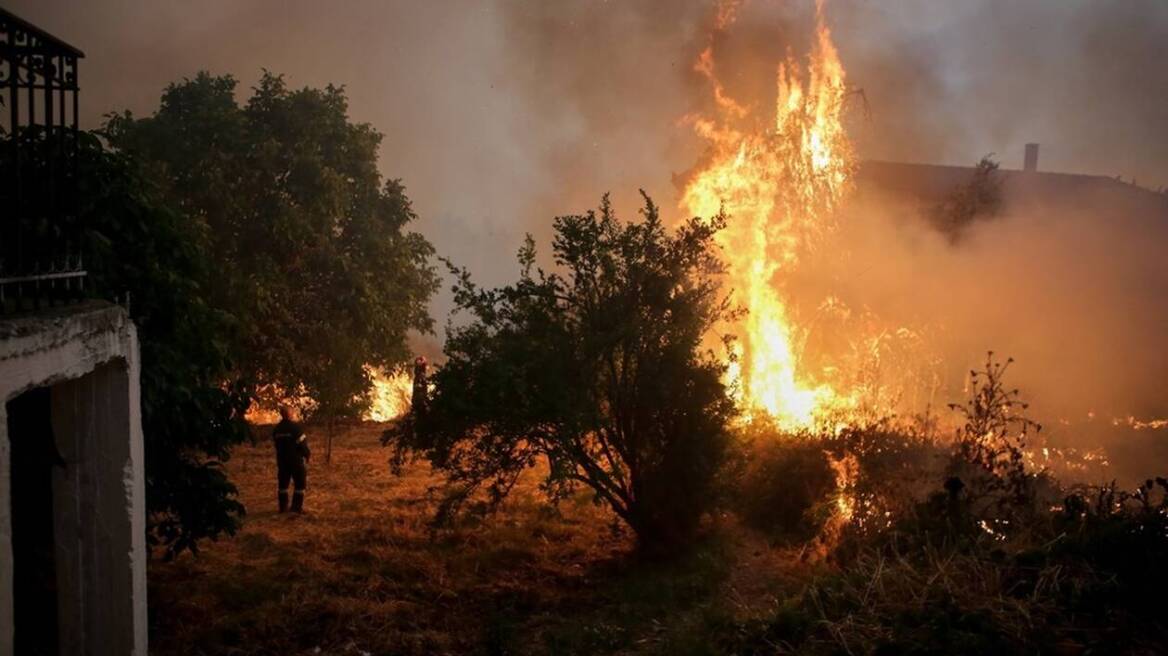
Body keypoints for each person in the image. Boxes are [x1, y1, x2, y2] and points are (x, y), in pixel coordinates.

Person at [272, 406, 310, 513]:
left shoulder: (277, 429)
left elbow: (276, 444)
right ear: (290, 414)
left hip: (282, 460)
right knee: (300, 483)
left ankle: (283, 507)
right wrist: (307, 454)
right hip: (295, 460)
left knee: (283, 484)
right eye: (292, 412)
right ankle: (296, 507)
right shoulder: (295, 428)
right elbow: (302, 444)